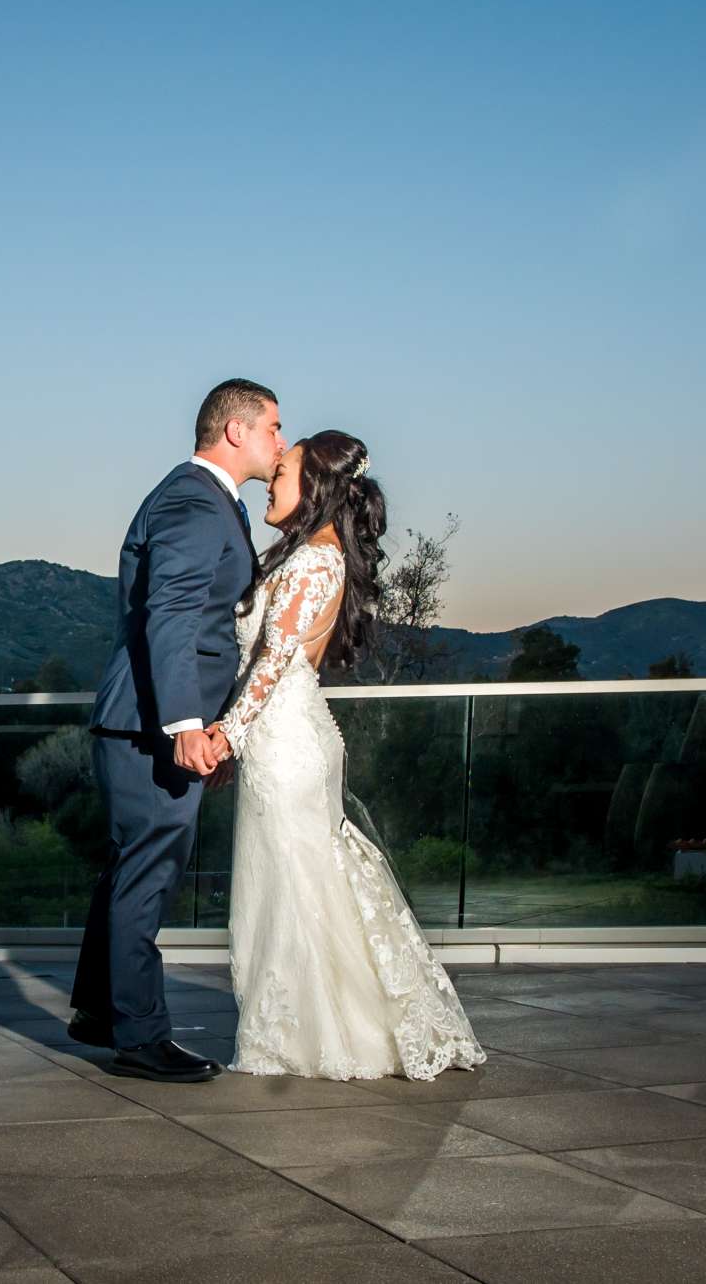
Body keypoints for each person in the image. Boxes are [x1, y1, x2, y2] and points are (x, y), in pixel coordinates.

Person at [213, 429, 485, 1081]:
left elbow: (273, 661)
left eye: (281, 472)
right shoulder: (311, 553)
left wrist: (228, 734)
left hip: (286, 744)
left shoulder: (313, 560)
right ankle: (315, 1025)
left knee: (297, 885)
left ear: (313, 487)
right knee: (299, 881)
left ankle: (318, 1035)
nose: (270, 479)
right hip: (287, 736)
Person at [70, 379, 283, 1083]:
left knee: (130, 867)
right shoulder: (195, 501)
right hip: (150, 728)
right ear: (235, 432)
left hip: (140, 724)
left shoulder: (206, 500)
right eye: (273, 428)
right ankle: (140, 1038)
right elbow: (173, 615)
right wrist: (187, 725)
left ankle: (101, 1010)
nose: (279, 443)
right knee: (147, 874)